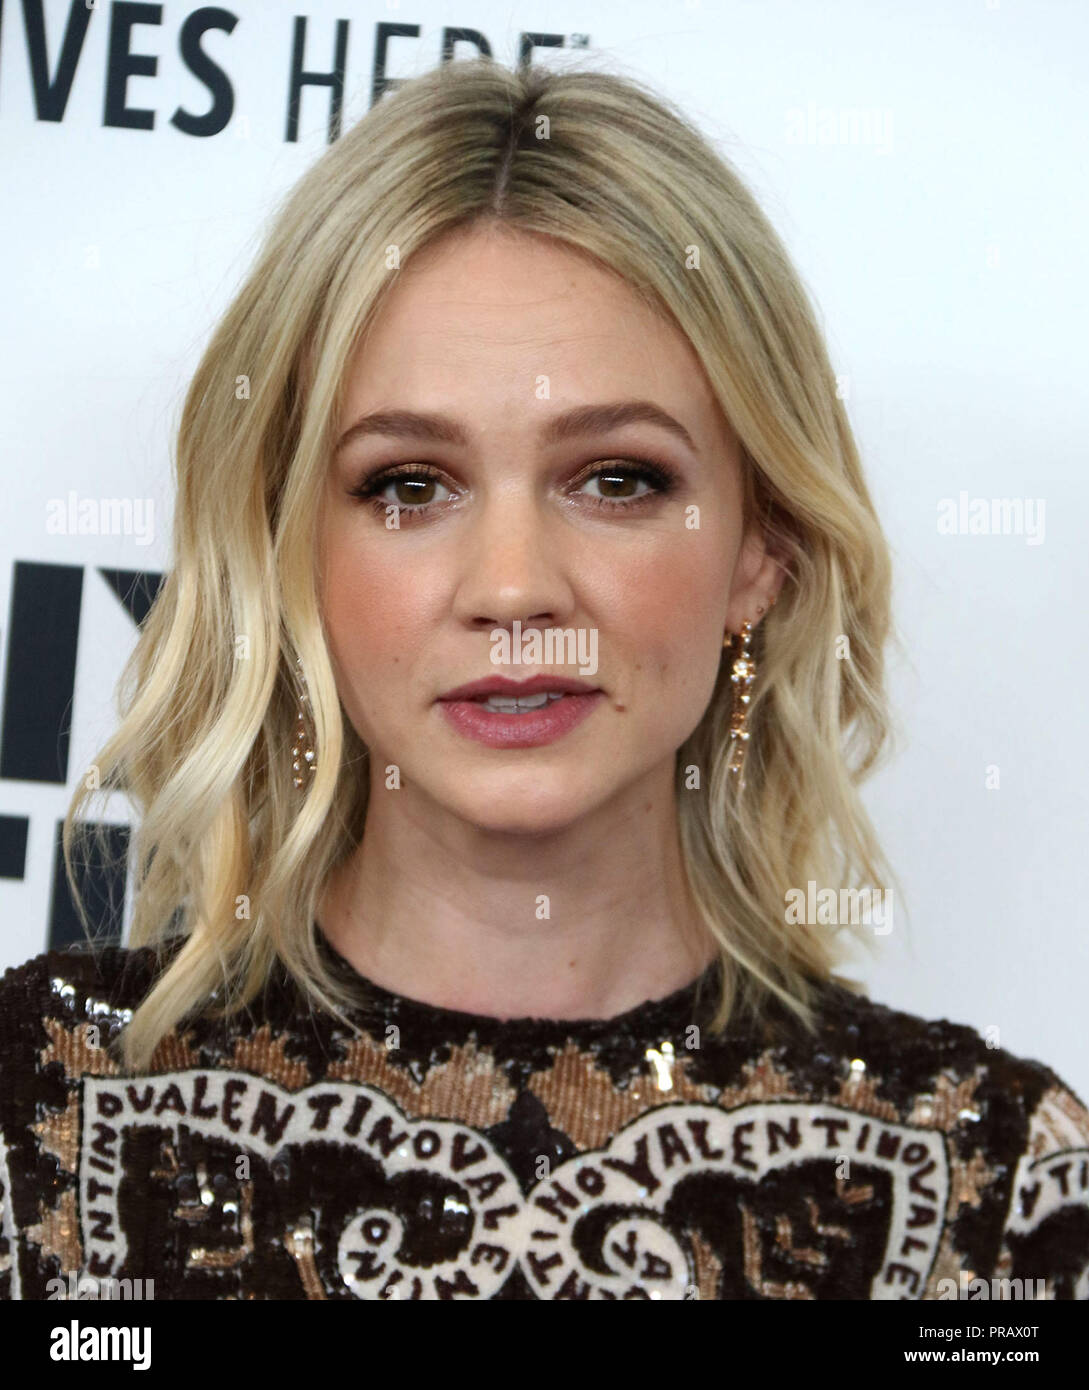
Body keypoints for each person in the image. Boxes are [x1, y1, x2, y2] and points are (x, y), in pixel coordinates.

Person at [0, 56, 1085, 1302]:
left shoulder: (993, 1194)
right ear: (290, 545)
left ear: (760, 553)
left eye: (618, 478)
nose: (513, 588)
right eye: (407, 484)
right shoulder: (40, 1111)